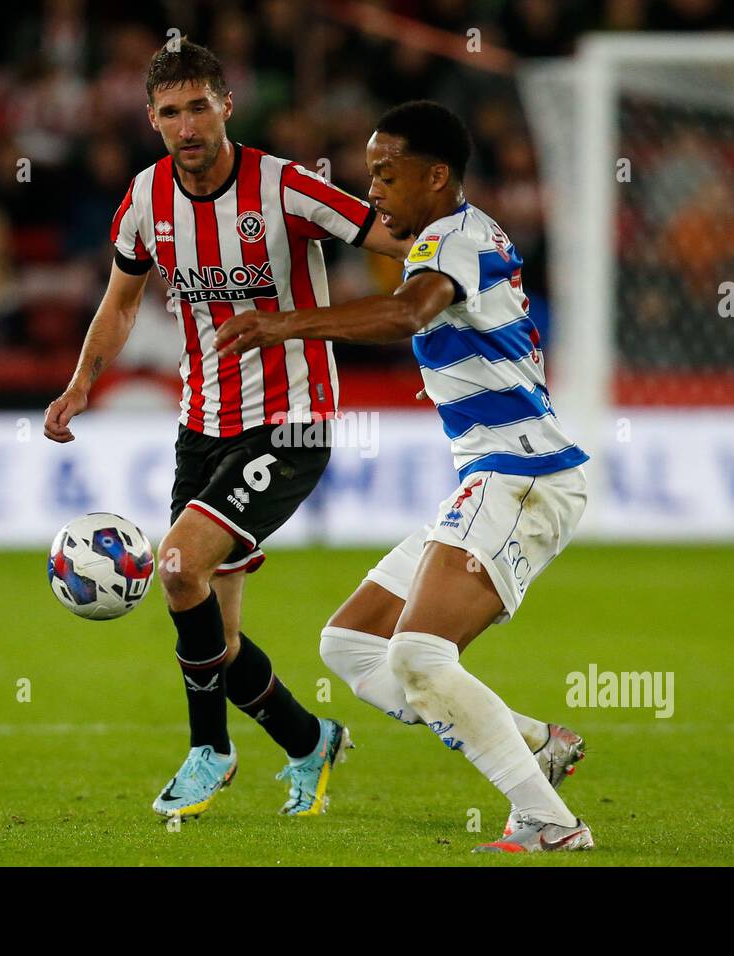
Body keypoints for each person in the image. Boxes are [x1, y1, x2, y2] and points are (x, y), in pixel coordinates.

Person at [43, 40, 411, 820]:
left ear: (226, 105)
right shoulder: (144, 200)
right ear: (151, 119)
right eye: (170, 112)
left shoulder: (284, 187)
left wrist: (466, 250)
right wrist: (81, 383)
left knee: (176, 566)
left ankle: (208, 750)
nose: (187, 125)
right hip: (203, 425)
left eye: (199, 107)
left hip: (293, 422)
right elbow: (119, 303)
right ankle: (311, 741)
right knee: (219, 632)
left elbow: (390, 235)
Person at [215, 100, 593, 852]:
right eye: (370, 173)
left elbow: (406, 313)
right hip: (490, 479)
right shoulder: (451, 237)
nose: (374, 189)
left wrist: (282, 322)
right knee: (350, 644)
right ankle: (530, 742)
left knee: (419, 656)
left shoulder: (452, 240)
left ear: (437, 175)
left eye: (387, 174)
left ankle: (549, 820)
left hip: (522, 475)